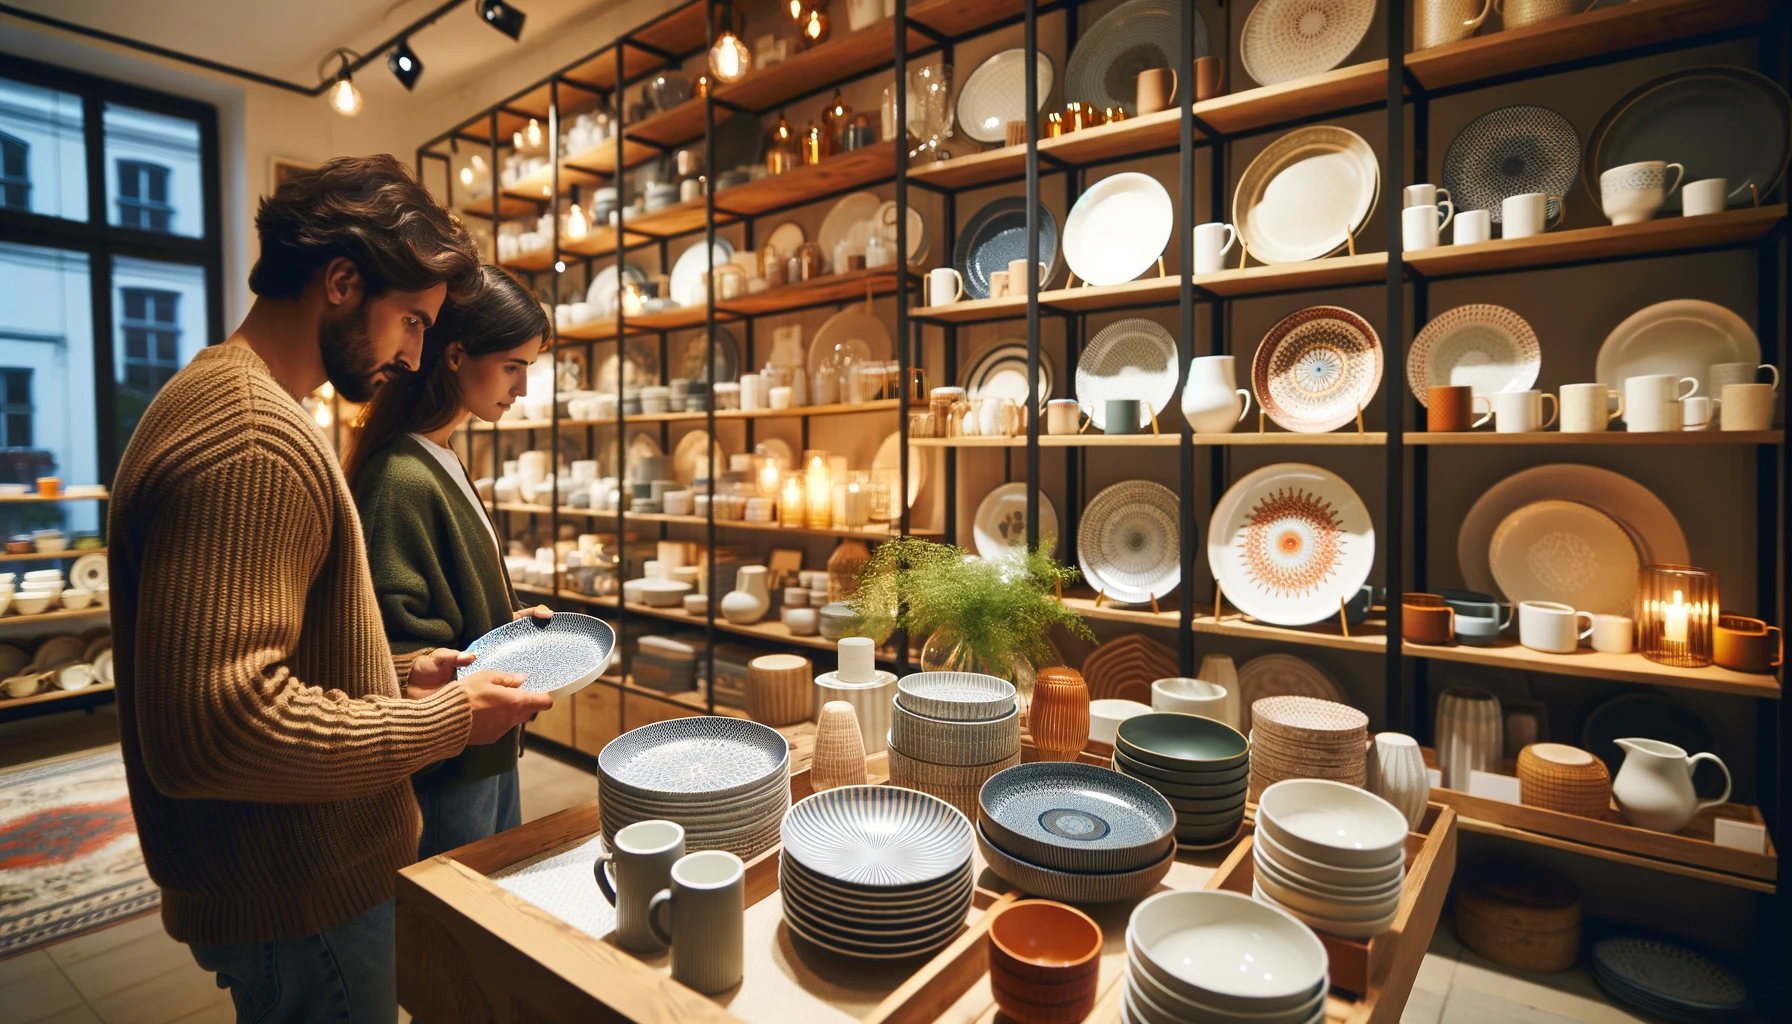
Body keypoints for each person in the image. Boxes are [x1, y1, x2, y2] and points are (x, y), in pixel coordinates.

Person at [107, 154, 553, 1024]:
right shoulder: (252, 436)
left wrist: (401, 671)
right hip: (299, 890)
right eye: (414, 321)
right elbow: (216, 730)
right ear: (343, 281)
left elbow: (264, 665)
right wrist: (449, 717)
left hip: (294, 880)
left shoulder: (234, 403)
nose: (416, 352)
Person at [346, 265, 553, 860]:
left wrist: (508, 619)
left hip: (480, 745)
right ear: (457, 356)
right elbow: (394, 645)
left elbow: (451, 597)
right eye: (513, 367)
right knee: (455, 929)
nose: (521, 389)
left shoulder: (440, 457)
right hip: (447, 759)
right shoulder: (401, 477)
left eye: (526, 370)